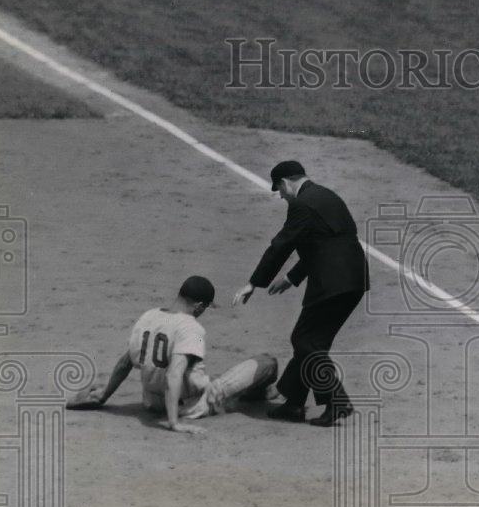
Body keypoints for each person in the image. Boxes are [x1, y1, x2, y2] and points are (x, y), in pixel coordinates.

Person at [232, 161, 369, 427]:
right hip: (353, 280)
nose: (281, 196)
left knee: (306, 341)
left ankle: (336, 401)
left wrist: (254, 283)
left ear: (285, 183)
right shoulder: (328, 196)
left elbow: (281, 245)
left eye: (279, 190)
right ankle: (294, 403)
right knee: (310, 341)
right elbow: (323, 243)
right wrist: (292, 278)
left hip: (332, 283)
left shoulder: (301, 204)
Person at [66, 275, 278, 434]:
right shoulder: (191, 327)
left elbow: (125, 362)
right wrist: (174, 423)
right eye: (205, 308)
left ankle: (253, 393)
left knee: (197, 374)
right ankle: (248, 395)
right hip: (191, 404)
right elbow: (173, 375)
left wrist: (103, 396)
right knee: (268, 363)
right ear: (199, 306)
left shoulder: (149, 316)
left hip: (150, 401)